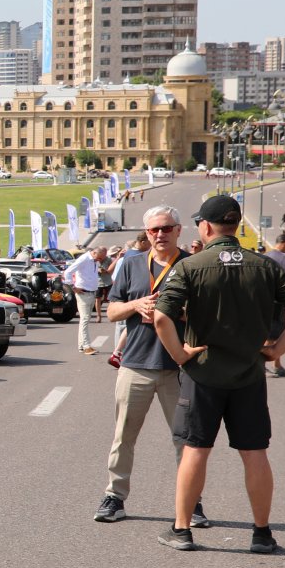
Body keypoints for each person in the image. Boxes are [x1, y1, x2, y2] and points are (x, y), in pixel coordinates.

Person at [152, 194, 285, 553]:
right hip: (249, 375)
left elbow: (162, 316)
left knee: (196, 450)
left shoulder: (191, 266)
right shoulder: (265, 266)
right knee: (255, 452)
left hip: (202, 375)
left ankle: (182, 530)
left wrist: (180, 355)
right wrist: (277, 350)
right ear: (236, 225)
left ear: (205, 227)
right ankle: (262, 533)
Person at [94, 205, 208, 527]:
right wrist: (136, 304)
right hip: (136, 365)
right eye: (154, 229)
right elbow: (113, 311)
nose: (160, 234)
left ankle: (192, 503)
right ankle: (115, 497)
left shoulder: (192, 265)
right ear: (147, 233)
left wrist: (173, 313)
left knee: (186, 440)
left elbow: (207, 315)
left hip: (179, 368)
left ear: (179, 230)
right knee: (123, 436)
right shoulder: (132, 264)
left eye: (167, 228)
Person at [61, 244, 108, 354]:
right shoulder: (84, 259)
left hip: (91, 292)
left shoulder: (94, 260)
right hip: (84, 293)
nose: (100, 260)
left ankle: (81, 345)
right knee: (85, 319)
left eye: (102, 258)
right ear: (94, 252)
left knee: (85, 319)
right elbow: (68, 272)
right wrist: (73, 287)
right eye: (99, 258)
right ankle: (86, 346)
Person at [262, 234, 285, 376]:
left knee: (270, 333)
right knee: (274, 335)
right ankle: (264, 364)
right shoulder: (284, 258)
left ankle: (277, 364)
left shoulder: (264, 256)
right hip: (277, 302)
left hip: (264, 300)